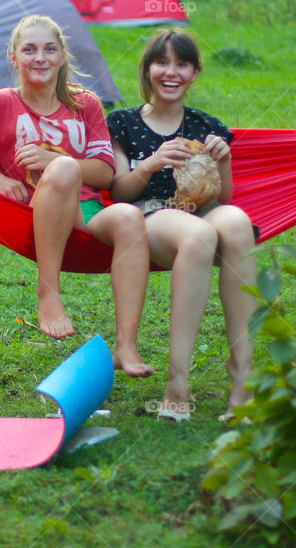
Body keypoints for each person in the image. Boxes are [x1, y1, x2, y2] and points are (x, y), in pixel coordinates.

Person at [0, 14, 154, 378]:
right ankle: (48, 292)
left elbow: (104, 171)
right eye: (30, 49)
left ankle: (126, 348)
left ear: (62, 56)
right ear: (14, 56)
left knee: (130, 217)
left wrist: (57, 159)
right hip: (32, 215)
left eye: (49, 49)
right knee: (66, 169)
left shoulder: (85, 105)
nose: (40, 58)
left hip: (85, 213)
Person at [106, 29, 256, 421]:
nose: (171, 72)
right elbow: (118, 192)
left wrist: (222, 159)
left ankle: (243, 376)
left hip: (201, 210)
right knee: (201, 232)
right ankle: (178, 382)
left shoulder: (207, 125)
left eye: (182, 64)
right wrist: (154, 162)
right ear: (148, 69)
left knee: (238, 222)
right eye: (162, 62)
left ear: (194, 73)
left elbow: (223, 198)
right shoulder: (122, 123)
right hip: (150, 215)